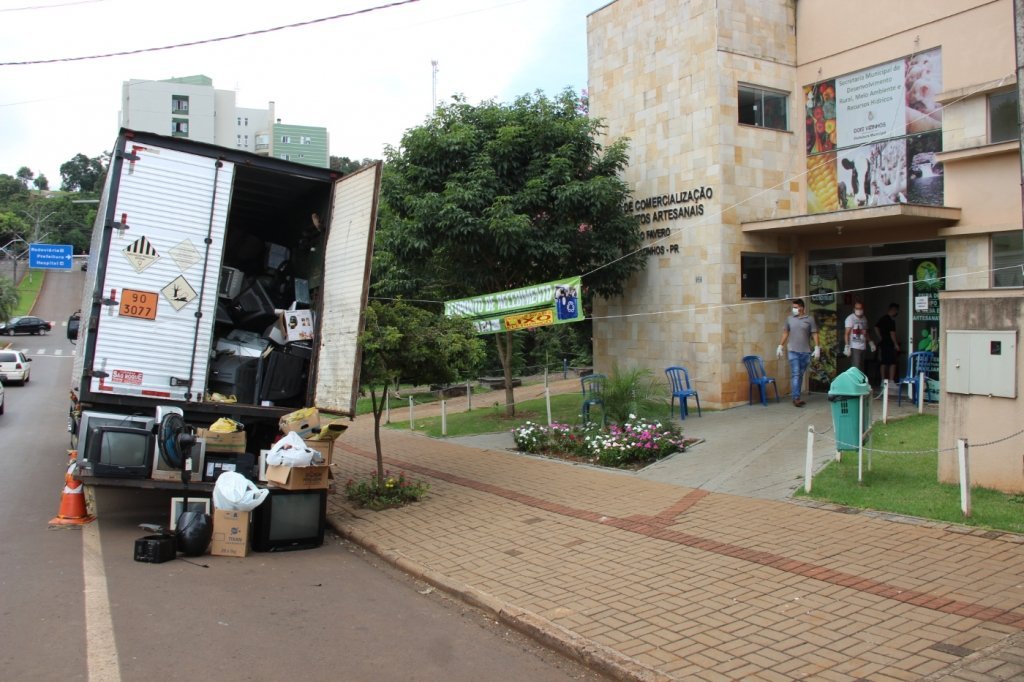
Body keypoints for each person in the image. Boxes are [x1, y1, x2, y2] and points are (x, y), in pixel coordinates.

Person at [777, 298, 820, 407]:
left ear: (801, 308)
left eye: (795, 307)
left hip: (805, 352)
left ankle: (797, 396)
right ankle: (796, 398)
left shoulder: (809, 319)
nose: (794, 309)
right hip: (793, 351)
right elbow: (785, 333)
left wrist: (817, 347)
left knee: (800, 374)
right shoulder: (789, 319)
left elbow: (815, 333)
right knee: (796, 374)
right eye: (793, 307)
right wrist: (780, 346)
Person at [875, 303, 901, 394]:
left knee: (884, 362)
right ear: (894, 310)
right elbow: (892, 333)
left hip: (883, 343)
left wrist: (880, 337)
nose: (897, 312)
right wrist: (895, 344)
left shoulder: (883, 318)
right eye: (897, 310)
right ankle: (891, 381)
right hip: (889, 343)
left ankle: (883, 381)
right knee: (892, 362)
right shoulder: (890, 321)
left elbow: (876, 327)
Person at [843, 300, 875, 373]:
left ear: (863, 309)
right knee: (856, 367)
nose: (859, 310)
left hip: (863, 346)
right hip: (854, 346)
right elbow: (846, 333)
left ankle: (860, 383)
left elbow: (866, 332)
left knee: (861, 367)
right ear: (854, 309)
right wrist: (847, 346)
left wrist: (870, 342)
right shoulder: (850, 318)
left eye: (860, 308)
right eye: (857, 308)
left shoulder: (864, 318)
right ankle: (854, 383)